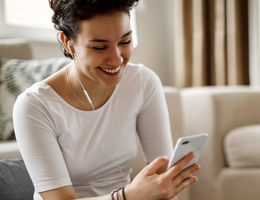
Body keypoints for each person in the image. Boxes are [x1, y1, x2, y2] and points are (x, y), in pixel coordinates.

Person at [13, 0, 200, 199]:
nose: (117, 59)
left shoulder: (143, 82)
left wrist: (168, 186)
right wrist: (125, 196)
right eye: (100, 47)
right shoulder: (34, 106)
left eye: (125, 42)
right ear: (68, 42)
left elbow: (164, 178)